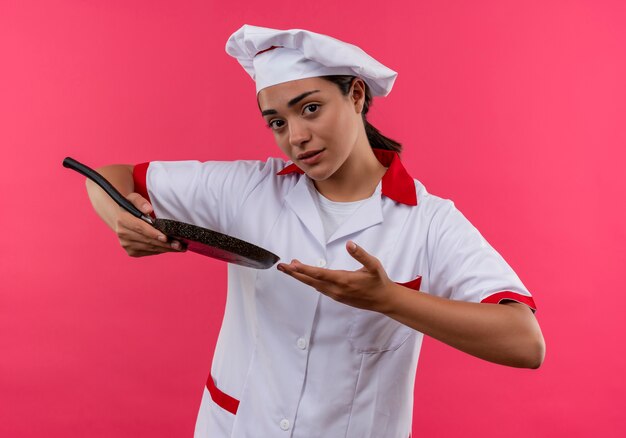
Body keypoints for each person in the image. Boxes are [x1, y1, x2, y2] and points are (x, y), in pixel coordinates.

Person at [86, 24, 545, 438]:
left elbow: (525, 343)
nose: (297, 137)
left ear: (357, 95)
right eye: (278, 122)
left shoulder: (427, 221)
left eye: (311, 108)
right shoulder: (250, 190)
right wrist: (121, 219)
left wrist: (388, 299)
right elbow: (108, 176)